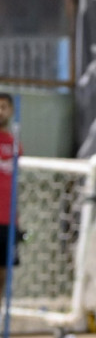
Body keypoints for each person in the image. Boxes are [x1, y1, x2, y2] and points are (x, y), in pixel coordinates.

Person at [0, 92, 22, 298]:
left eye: (4, 106)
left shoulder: (15, 145)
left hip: (8, 219)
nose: (0, 111)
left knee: (3, 271)